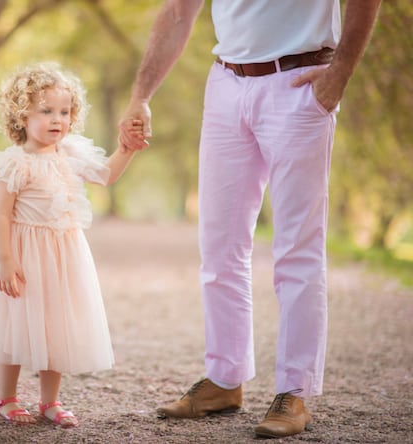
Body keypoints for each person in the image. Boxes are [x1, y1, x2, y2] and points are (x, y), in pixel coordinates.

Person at [119, 0, 381, 438]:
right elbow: (178, 12)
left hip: (300, 82)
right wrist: (140, 96)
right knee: (219, 246)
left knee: (297, 247)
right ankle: (224, 379)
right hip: (226, 83)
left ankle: (294, 392)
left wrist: (340, 74)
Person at [0, 63, 141, 427]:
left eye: (64, 112)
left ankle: (50, 401)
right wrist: (4, 260)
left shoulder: (70, 154)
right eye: (45, 111)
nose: (56, 119)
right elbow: (0, 216)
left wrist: (127, 149)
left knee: (58, 324)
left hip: (65, 254)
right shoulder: (14, 163)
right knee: (15, 323)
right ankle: (7, 398)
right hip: (25, 254)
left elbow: (106, 175)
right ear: (22, 116)